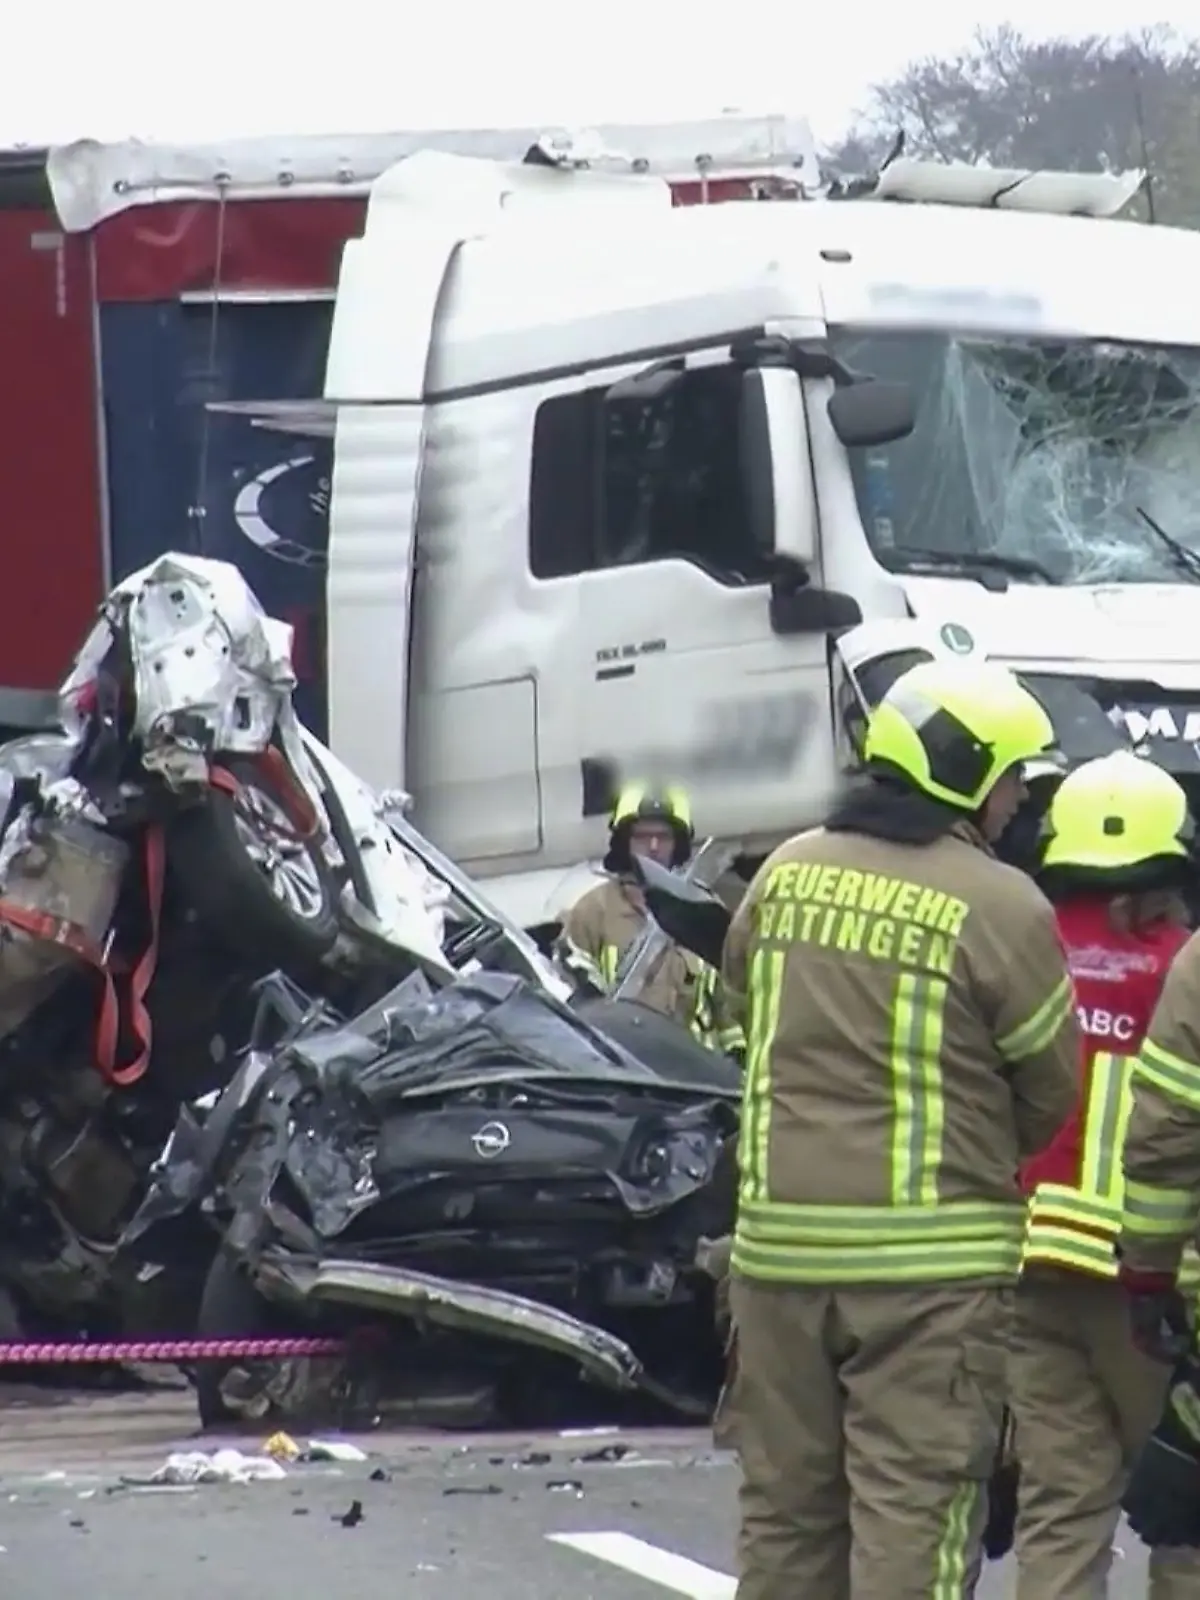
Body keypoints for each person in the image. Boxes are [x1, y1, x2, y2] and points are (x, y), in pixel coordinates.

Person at [718, 656, 1080, 1600]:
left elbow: (747, 1012)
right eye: (1011, 778)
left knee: (787, 1518)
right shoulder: (1002, 904)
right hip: (929, 1282)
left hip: (778, 1261)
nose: (1016, 803)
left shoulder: (786, 873)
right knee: (912, 1523)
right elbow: (1049, 1091)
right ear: (966, 773)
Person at [1005, 750, 1200, 1598]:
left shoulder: (1020, 953)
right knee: (1188, 1521)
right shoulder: (1183, 967)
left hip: (1031, 1263)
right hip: (1151, 1282)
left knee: (1063, 1507)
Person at [560, 783, 744, 1057]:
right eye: (642, 837)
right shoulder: (591, 913)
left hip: (694, 1072)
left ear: (678, 843)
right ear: (624, 843)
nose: (654, 847)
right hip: (624, 1068)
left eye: (664, 837)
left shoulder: (701, 912)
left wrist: (737, 1057)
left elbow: (729, 1007)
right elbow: (568, 1002)